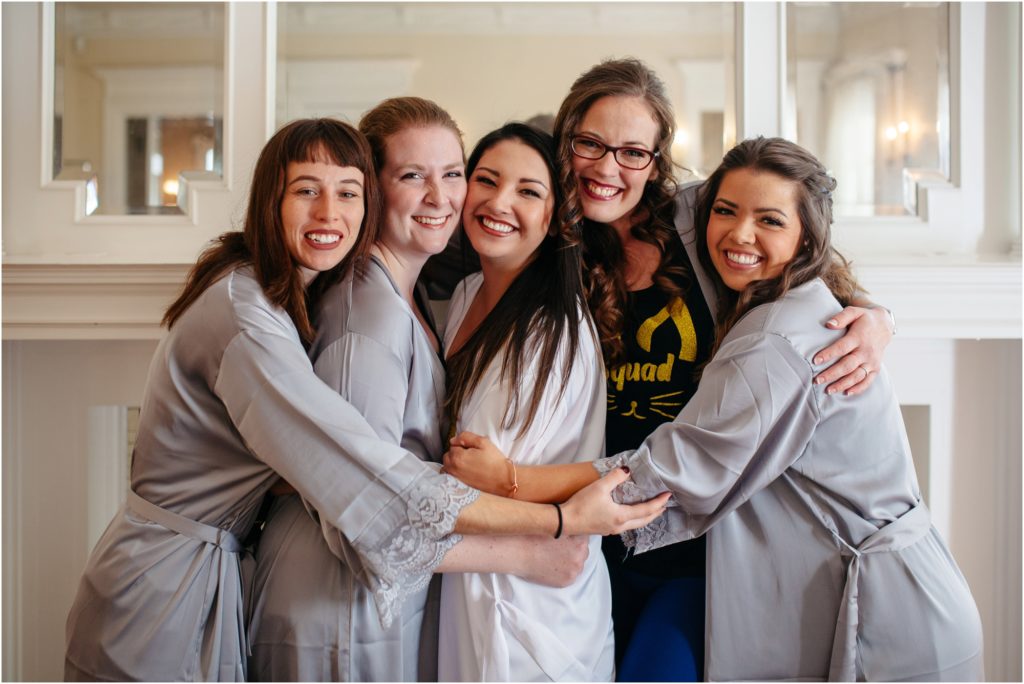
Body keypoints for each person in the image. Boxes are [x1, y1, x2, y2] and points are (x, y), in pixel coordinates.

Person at [63, 117, 668, 682]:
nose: (440, 197)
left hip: (227, 573)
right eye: (307, 190)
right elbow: (363, 485)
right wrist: (552, 529)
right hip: (178, 586)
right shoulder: (325, 321)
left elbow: (321, 464)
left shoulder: (400, 297)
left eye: (451, 174)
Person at [453, 136, 985, 681]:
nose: (740, 233)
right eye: (726, 212)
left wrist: (511, 479)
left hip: (891, 615)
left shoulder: (776, 342)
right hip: (822, 587)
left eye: (770, 220)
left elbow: (669, 469)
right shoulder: (727, 265)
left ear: (808, 237)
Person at [247, 99, 590, 682]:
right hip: (331, 603)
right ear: (372, 188)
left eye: (452, 173)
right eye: (412, 176)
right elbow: (362, 515)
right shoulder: (368, 319)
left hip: (365, 598)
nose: (441, 197)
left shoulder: (418, 294)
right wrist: (534, 548)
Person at [436, 123, 614, 682]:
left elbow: (469, 481)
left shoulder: (549, 329)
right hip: (474, 582)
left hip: (531, 605)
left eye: (528, 191)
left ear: (556, 217)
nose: (499, 202)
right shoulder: (466, 293)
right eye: (486, 180)